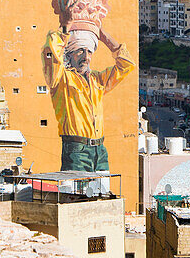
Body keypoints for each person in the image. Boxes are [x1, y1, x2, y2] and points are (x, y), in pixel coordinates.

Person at [42, 26, 135, 174]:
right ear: (69, 55)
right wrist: (65, 28)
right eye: (80, 51)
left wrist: (104, 36)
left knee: (102, 193)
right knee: (76, 195)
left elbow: (126, 65)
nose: (86, 57)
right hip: (76, 149)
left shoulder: (97, 80)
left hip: (100, 150)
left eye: (89, 51)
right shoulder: (61, 79)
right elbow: (51, 53)